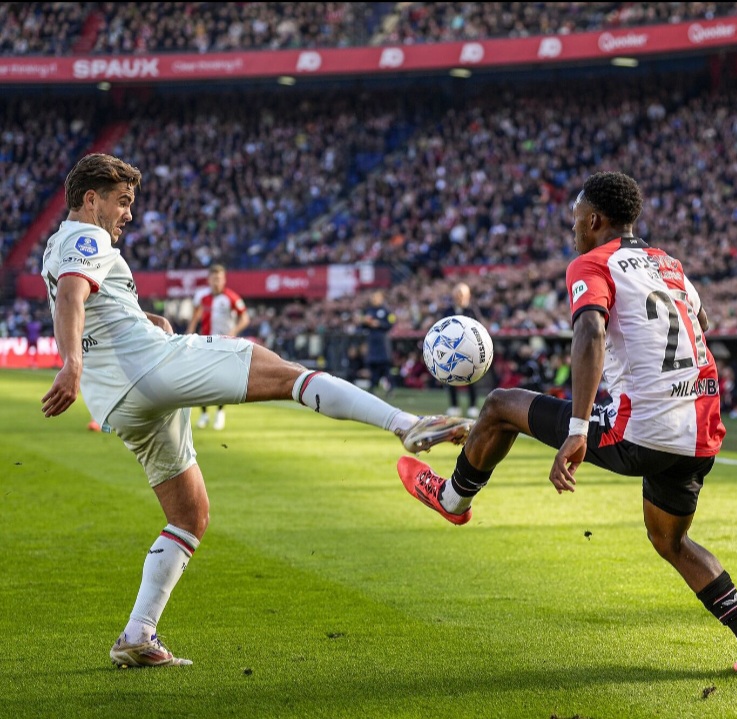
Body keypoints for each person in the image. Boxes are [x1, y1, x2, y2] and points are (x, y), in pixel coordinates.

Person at [39, 154, 474, 669]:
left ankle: (137, 634)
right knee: (288, 375)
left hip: (119, 401)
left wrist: (148, 319)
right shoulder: (89, 238)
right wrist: (71, 363)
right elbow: (72, 297)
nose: (129, 213)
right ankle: (407, 425)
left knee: (189, 516)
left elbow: (94, 305)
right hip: (149, 368)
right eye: (122, 201)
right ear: (91, 199)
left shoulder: (57, 245)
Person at [397, 171, 737, 676]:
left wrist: (579, 429)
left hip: (643, 428)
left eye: (576, 219)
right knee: (669, 541)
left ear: (595, 220)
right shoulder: (668, 263)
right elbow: (702, 322)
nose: (573, 229)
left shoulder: (591, 262)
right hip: (699, 430)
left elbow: (590, 331)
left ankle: (452, 498)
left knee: (499, 405)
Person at [186, 264, 249, 430]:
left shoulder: (231, 298)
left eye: (219, 279)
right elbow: (195, 315)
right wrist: (190, 333)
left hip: (224, 344)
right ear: (209, 280)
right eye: (214, 278)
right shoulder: (201, 296)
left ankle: (220, 412)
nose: (216, 282)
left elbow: (245, 318)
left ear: (224, 280)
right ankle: (204, 414)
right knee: (200, 379)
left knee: (221, 379)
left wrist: (233, 331)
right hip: (205, 342)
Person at [443, 282, 480, 418]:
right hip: (451, 350)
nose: (459, 296)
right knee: (451, 377)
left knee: (471, 378)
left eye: (462, 294)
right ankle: (454, 406)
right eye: (457, 293)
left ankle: (473, 405)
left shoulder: (472, 311)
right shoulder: (448, 311)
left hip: (468, 351)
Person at [360, 290, 395, 397]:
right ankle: (372, 388)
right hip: (372, 341)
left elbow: (390, 323)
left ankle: (390, 388)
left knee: (385, 367)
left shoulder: (386, 311)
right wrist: (365, 322)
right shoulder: (368, 310)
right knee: (373, 367)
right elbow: (362, 325)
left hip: (382, 342)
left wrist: (379, 324)